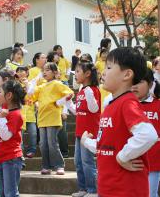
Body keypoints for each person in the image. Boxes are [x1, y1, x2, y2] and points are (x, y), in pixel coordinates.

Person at [82, 47, 158, 197]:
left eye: (109, 67)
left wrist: (123, 157)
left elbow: (148, 134)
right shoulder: (112, 105)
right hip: (109, 188)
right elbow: (106, 146)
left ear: (127, 74)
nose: (103, 72)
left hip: (125, 190)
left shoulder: (127, 103)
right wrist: (86, 142)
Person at [63, 61, 101, 197]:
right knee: (78, 162)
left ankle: (93, 190)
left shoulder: (93, 90)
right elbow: (78, 111)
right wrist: (68, 103)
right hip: (80, 132)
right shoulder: (81, 91)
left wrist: (89, 93)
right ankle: (83, 189)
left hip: (89, 133)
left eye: (78, 72)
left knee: (87, 162)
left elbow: (94, 109)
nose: (76, 75)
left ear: (87, 74)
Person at [28, 62, 73, 175]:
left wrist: (59, 103)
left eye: (48, 70)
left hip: (53, 117)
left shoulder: (57, 84)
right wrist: (33, 83)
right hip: (42, 118)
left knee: (52, 142)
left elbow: (70, 93)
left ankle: (59, 165)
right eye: (44, 70)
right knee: (43, 144)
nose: (45, 72)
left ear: (55, 72)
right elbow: (30, 97)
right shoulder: (41, 86)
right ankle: (46, 166)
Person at [0, 80, 25, 197]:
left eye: (1, 92)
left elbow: (5, 136)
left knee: (10, 193)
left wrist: (2, 118)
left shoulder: (15, 114)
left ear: (9, 95)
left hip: (11, 159)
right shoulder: (3, 112)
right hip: (0, 158)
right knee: (2, 193)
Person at [131, 68, 160, 197]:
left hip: (153, 162)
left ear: (150, 84)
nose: (135, 86)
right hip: (129, 162)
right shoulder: (126, 105)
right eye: (133, 82)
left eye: (139, 81)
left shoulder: (158, 106)